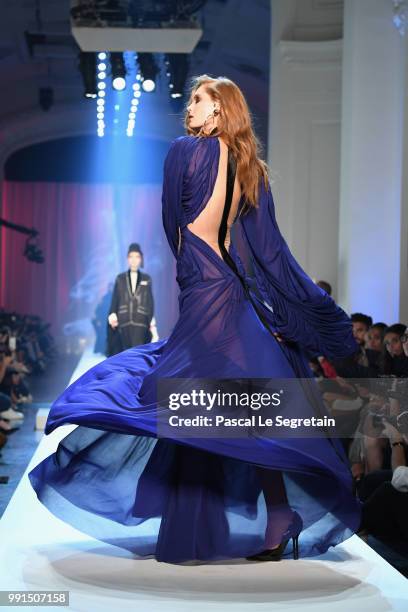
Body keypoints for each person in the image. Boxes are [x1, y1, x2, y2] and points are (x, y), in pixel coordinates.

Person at [28, 74, 362, 565]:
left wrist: (192, 269)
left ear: (220, 111)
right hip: (235, 297)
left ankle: (208, 521)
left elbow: (172, 225)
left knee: (188, 404)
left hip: (205, 296)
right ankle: (277, 514)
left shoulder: (185, 152)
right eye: (190, 101)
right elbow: (272, 253)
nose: (190, 109)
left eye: (200, 101)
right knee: (241, 412)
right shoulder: (254, 172)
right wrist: (317, 312)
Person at [107, 243, 157, 356]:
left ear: (141, 259)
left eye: (137, 256)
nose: (134, 260)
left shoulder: (147, 279)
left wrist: (152, 322)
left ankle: (137, 373)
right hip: (123, 321)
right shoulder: (120, 279)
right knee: (124, 353)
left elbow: (150, 302)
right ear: (127, 259)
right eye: (131, 256)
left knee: (137, 353)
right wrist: (112, 313)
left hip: (141, 322)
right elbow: (115, 298)